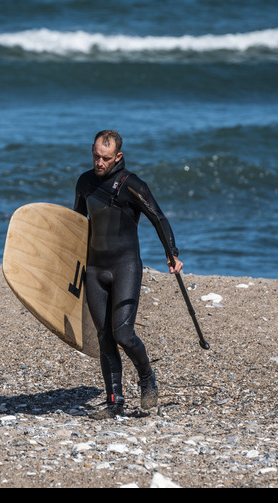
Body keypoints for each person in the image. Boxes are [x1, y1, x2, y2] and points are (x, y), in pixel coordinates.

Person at [73, 130, 183, 419]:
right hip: (95, 268)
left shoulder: (131, 184)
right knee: (104, 337)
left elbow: (158, 217)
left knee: (122, 332)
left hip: (125, 266)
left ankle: (146, 377)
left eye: (105, 158)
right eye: (95, 156)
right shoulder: (85, 182)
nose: (99, 162)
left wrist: (171, 252)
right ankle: (114, 401)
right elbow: (75, 224)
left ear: (118, 157)